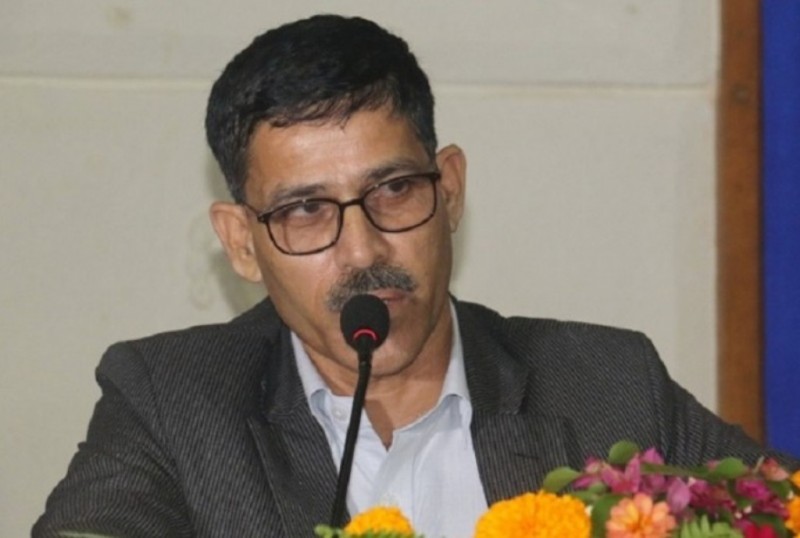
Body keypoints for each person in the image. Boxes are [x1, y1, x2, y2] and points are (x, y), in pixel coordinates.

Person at [33, 14, 795, 538]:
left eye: (394, 189)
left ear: (450, 189)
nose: (363, 250)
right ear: (242, 243)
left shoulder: (605, 383)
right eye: (306, 211)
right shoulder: (172, 402)